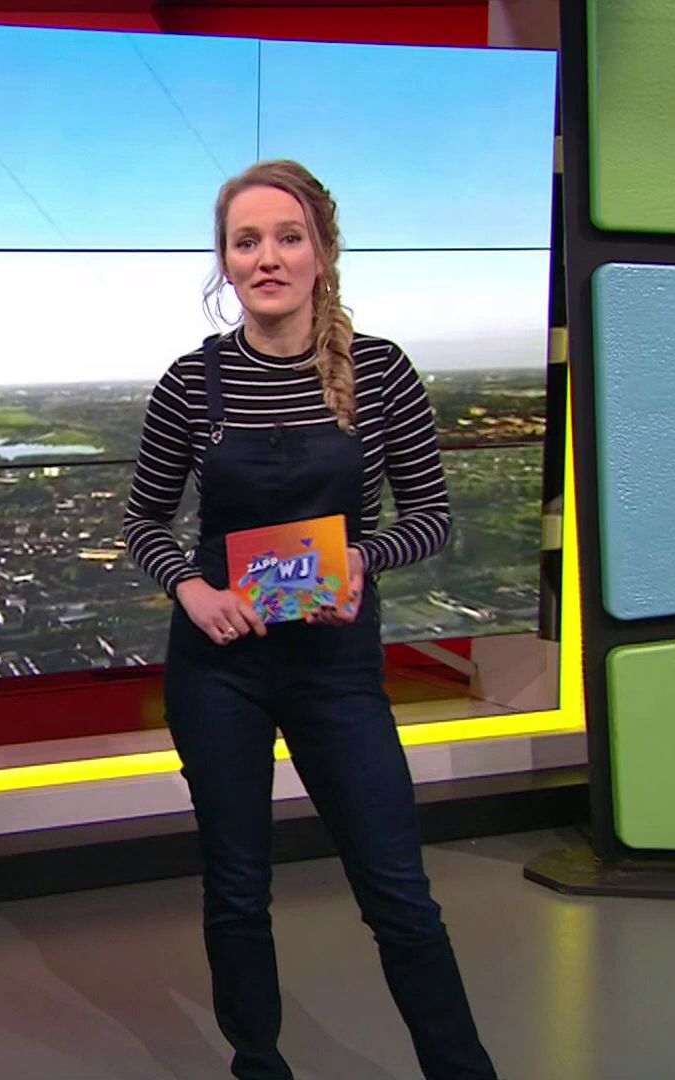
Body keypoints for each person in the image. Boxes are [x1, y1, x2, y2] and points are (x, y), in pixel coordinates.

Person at [120, 159, 497, 1080]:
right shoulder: (192, 382)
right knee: (237, 888)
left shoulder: (381, 371)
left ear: (322, 253)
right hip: (220, 667)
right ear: (225, 261)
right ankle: (259, 1065)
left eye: (288, 238)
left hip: (335, 664)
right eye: (246, 241)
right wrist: (191, 589)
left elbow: (431, 516)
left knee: (399, 892)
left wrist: (364, 558)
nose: (268, 258)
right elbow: (143, 522)